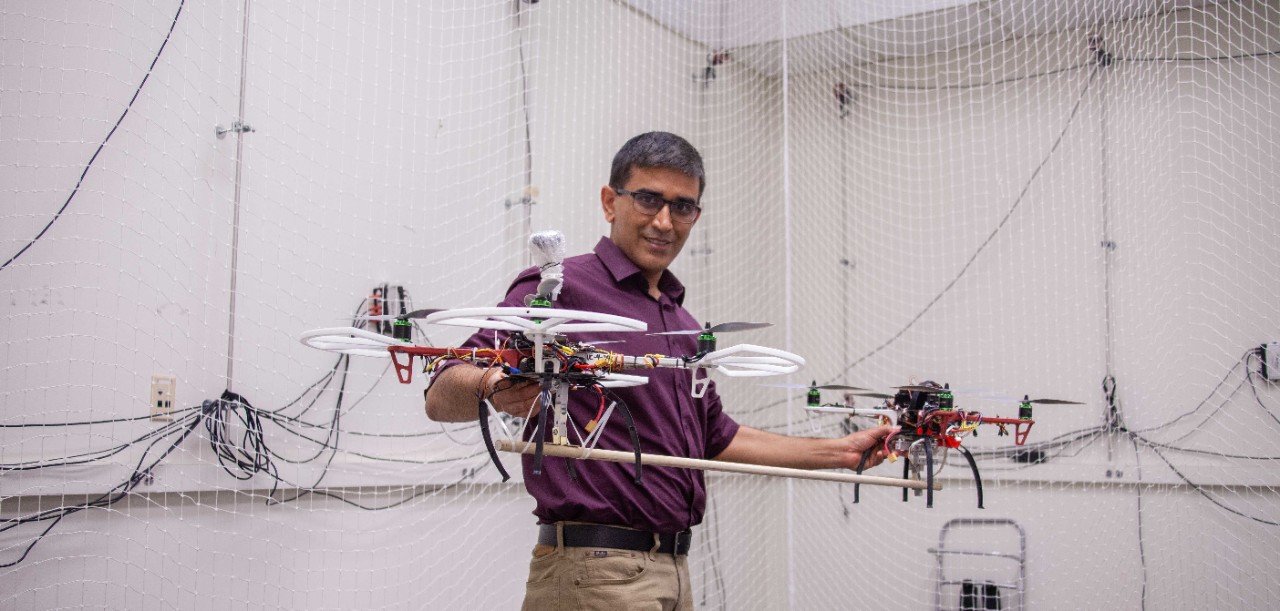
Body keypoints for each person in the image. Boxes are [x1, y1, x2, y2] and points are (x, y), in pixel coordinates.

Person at [424, 131, 891, 610]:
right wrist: (495, 386)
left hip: (674, 569)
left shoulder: (682, 325)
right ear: (610, 202)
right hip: (596, 571)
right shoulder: (562, 292)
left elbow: (717, 438)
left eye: (682, 206)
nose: (664, 222)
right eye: (649, 200)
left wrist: (840, 452)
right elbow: (441, 391)